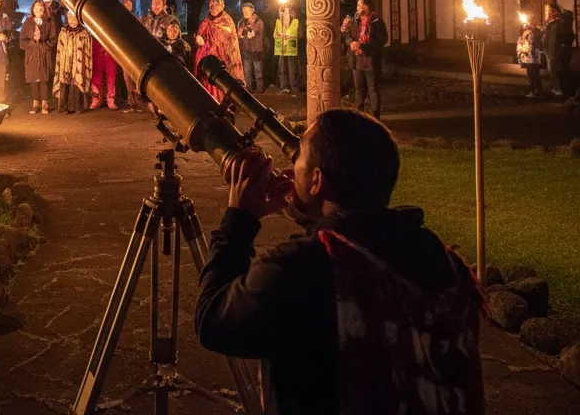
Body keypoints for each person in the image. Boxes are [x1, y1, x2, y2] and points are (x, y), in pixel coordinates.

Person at [195, 109, 485, 415]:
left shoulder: (302, 268)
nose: (291, 169)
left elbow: (213, 320)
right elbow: (353, 235)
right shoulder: (434, 254)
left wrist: (240, 220)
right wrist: (315, 218)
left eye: (299, 156)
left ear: (318, 180)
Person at [343, 0, 388, 119]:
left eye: (360, 5)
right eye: (357, 5)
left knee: (373, 88)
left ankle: (375, 116)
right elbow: (347, 35)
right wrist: (351, 43)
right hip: (356, 59)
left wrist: (362, 46)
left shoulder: (377, 22)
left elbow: (381, 40)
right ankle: (359, 115)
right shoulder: (354, 21)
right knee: (358, 88)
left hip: (370, 59)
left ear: (367, 7)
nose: (358, 8)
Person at [194, 0, 244, 101]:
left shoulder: (227, 21)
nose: (213, 8)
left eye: (216, 5)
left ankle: (224, 101)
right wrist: (199, 39)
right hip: (208, 60)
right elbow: (199, 38)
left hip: (223, 60)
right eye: (211, 6)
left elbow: (230, 41)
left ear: (222, 6)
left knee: (222, 82)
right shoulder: (205, 21)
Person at [20, 0, 57, 114]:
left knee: (44, 78)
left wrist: (44, 45)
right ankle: (35, 103)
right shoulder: (28, 22)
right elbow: (22, 41)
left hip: (44, 53)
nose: (38, 10)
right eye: (36, 8)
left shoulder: (49, 22)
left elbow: (53, 39)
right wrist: (31, 43)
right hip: (32, 54)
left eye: (41, 8)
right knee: (33, 78)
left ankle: (45, 103)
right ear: (33, 9)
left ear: (44, 10)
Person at [55, 9, 93, 113]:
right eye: (70, 18)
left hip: (78, 64)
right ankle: (64, 107)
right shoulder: (63, 32)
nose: (72, 21)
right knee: (65, 83)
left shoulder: (84, 33)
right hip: (65, 63)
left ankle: (77, 107)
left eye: (75, 18)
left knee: (77, 83)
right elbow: (59, 50)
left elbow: (87, 51)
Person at [543, 3, 574, 100]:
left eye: (551, 11)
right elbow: (546, 38)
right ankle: (557, 88)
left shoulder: (560, 24)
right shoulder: (550, 25)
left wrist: (562, 48)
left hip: (557, 52)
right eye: (547, 11)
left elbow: (567, 38)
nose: (549, 13)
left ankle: (561, 90)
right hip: (550, 51)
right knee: (552, 70)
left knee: (558, 71)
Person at [238, 1, 266, 92]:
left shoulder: (258, 21)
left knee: (258, 71)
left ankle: (259, 88)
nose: (245, 13)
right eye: (243, 11)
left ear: (252, 10)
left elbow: (254, 33)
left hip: (256, 50)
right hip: (246, 49)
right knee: (247, 71)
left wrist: (246, 34)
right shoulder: (242, 22)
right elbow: (240, 34)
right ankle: (248, 87)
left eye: (247, 10)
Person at [273, 0, 300, 94]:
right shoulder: (278, 22)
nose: (285, 14)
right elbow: (275, 34)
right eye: (283, 12)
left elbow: (298, 34)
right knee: (282, 69)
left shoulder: (295, 21)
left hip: (291, 50)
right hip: (281, 49)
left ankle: (294, 89)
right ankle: (284, 87)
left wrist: (288, 35)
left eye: (287, 12)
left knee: (292, 69)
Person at [516, 15, 545, 98]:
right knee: (536, 74)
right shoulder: (537, 31)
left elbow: (530, 45)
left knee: (532, 75)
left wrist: (522, 52)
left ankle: (534, 91)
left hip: (530, 57)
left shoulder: (530, 32)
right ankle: (539, 91)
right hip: (535, 57)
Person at [90, 38, 119, 110]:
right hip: (97, 47)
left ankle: (111, 100)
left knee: (111, 75)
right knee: (96, 75)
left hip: (110, 47)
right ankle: (95, 99)